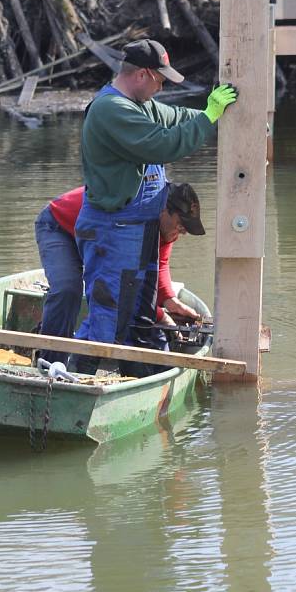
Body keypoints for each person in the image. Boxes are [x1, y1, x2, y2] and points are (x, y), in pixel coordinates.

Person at [74, 38, 237, 360]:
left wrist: (226, 118)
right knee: (109, 314)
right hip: (113, 230)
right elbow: (162, 145)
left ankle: (136, 371)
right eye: (160, 81)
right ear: (143, 74)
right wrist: (209, 117)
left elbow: (176, 117)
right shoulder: (112, 109)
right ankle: (81, 377)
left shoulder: (141, 105)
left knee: (139, 314)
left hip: (137, 229)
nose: (161, 89)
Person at [35, 182, 206, 366]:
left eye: (183, 231)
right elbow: (116, 282)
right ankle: (50, 362)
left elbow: (159, 264)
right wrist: (159, 315)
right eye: (180, 226)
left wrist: (170, 301)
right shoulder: (133, 218)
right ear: (164, 210)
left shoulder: (163, 226)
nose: (179, 234)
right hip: (59, 227)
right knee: (68, 289)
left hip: (95, 237)